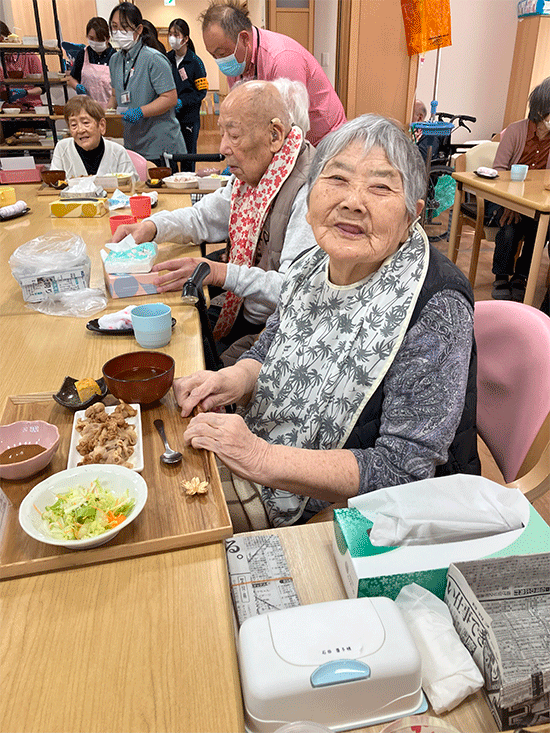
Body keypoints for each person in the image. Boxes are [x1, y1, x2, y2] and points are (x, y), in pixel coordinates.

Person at [173, 114, 480, 531]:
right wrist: (237, 379)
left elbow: (403, 471)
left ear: (413, 214)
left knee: (173, 523)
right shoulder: (313, 262)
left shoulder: (437, 305)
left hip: (352, 514)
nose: (353, 201)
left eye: (380, 187)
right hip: (266, 451)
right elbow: (270, 348)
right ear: (311, 193)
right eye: (337, 179)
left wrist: (260, 457)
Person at [111, 79, 316, 362]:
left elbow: (295, 290)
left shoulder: (307, 191)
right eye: (222, 133)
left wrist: (219, 272)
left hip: (277, 329)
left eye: (234, 135)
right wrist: (152, 226)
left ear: (275, 135)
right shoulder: (254, 174)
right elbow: (201, 218)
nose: (223, 148)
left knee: (185, 360)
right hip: (242, 308)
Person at [199, 0, 346, 146]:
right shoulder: (237, 62)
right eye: (213, 55)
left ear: (244, 39)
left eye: (222, 53)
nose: (220, 61)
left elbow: (290, 130)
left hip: (325, 140)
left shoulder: (283, 59)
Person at [490, 77, 550, 302]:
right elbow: (499, 171)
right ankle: (501, 276)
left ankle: (521, 276)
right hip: (503, 197)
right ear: (542, 108)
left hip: (534, 202)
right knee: (509, 226)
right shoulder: (516, 132)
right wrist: (511, 202)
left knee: (542, 227)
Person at [107, 2, 186, 167]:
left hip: (158, 144)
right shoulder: (115, 60)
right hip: (132, 142)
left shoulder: (153, 59)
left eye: (125, 27)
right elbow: (115, 95)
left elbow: (169, 98)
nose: (119, 32)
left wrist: (140, 112)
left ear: (139, 29)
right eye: (114, 27)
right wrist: (105, 116)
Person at [50, 96, 138, 179]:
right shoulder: (62, 148)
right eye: (73, 125)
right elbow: (54, 185)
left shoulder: (118, 152)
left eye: (85, 123)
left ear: (101, 125)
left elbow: (132, 185)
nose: (80, 130)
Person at [167, 18, 208, 170]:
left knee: (188, 154)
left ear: (185, 39)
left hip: (188, 118)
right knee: (170, 154)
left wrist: (182, 101)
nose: (172, 38)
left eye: (176, 35)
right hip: (169, 117)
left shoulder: (195, 62)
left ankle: (187, 182)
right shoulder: (166, 59)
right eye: (170, 34)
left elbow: (201, 92)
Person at [67, 17, 116, 108]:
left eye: (99, 39)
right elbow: (71, 78)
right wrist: (77, 86)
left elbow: (119, 88)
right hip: (87, 107)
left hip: (110, 108)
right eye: (91, 38)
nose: (95, 42)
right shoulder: (83, 54)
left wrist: (108, 110)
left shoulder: (115, 57)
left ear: (108, 38)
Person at [0, 21, 44, 110]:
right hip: (9, 111)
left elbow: (43, 87)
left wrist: (26, 92)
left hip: (31, 109)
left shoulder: (29, 57)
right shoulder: (2, 60)